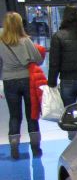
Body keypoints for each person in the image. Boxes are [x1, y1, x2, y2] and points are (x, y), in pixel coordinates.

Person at [0, 11, 45, 159]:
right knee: (32, 114)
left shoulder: (1, 41)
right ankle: (36, 148)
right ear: (20, 24)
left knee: (14, 116)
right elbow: (38, 59)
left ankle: (14, 145)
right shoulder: (26, 41)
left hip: (9, 81)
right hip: (27, 79)